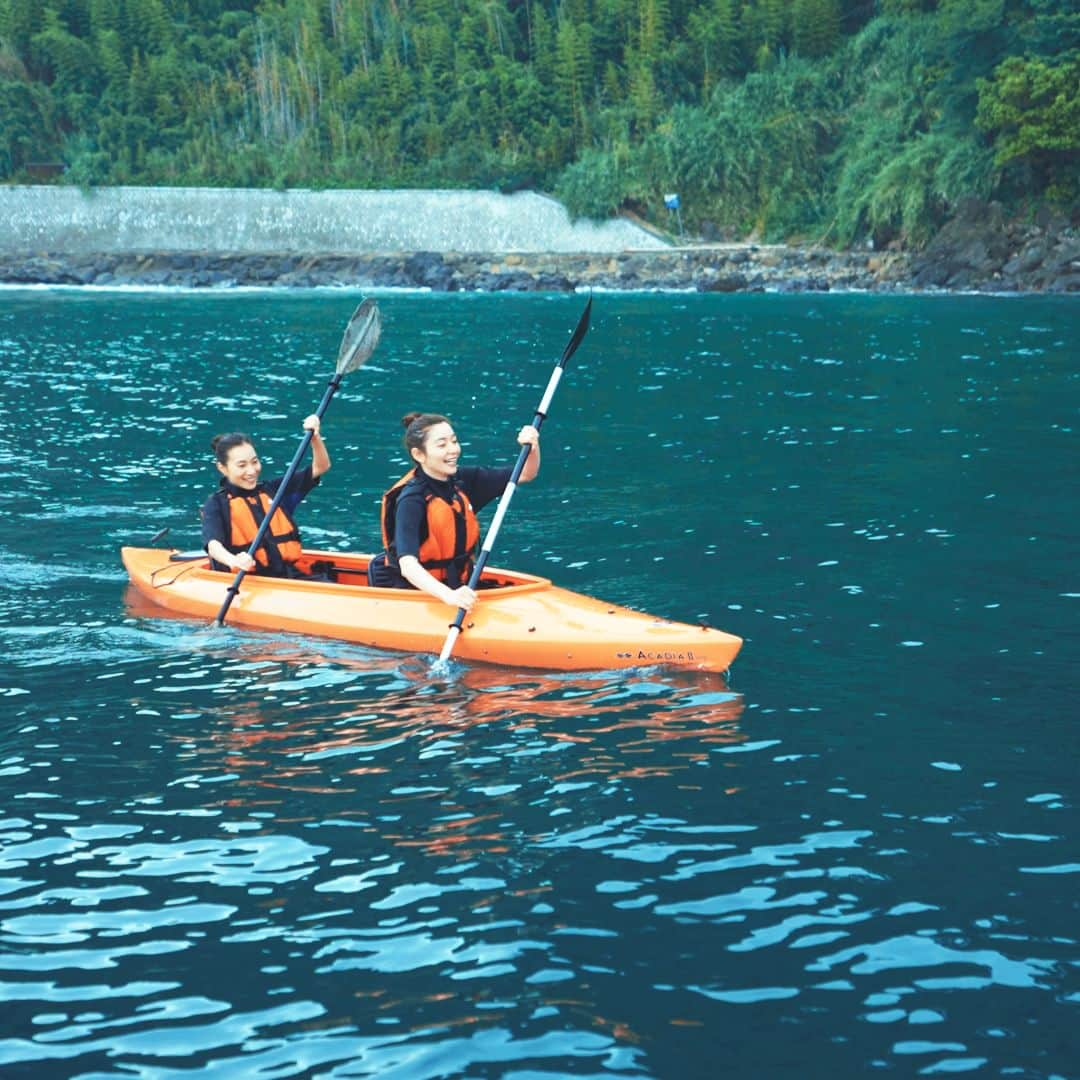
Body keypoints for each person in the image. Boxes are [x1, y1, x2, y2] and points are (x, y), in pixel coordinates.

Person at [370, 412, 540, 610]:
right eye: (442, 445)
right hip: (417, 594)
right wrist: (449, 596)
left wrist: (533, 448)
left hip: (458, 587)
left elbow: (526, 473)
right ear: (419, 455)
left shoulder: (463, 480)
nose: (453, 450)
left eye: (454, 441)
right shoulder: (412, 500)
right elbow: (408, 566)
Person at [201, 415, 330, 578]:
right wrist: (233, 560)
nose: (251, 470)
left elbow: (321, 467)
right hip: (248, 582)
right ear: (222, 468)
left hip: (289, 577)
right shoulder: (217, 504)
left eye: (254, 462)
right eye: (242, 465)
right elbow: (213, 545)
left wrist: (315, 438)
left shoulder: (275, 490)